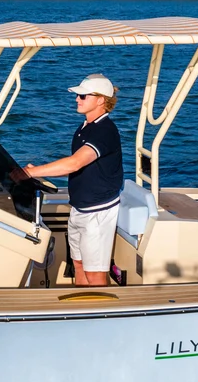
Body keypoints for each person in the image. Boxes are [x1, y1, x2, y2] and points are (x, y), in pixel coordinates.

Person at [23, 74, 123, 287]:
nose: (77, 99)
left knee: (95, 274)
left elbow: (75, 163)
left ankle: (100, 317)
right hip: (80, 208)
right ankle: (83, 308)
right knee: (77, 263)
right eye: (78, 95)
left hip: (97, 212)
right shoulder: (85, 128)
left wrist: (32, 173)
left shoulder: (105, 131)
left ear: (100, 100)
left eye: (83, 96)